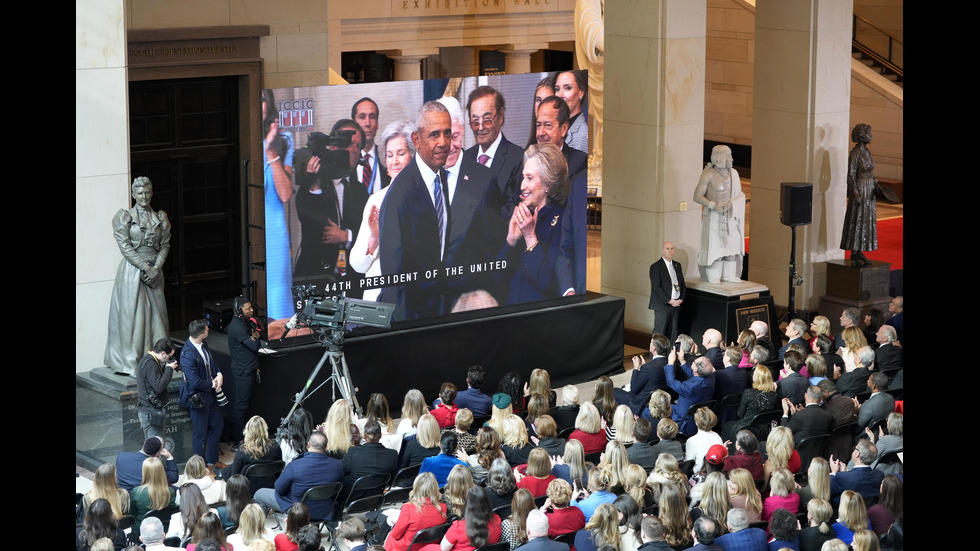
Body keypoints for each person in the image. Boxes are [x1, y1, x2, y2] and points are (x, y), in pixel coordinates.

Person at [378, 101, 454, 321]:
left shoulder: (442, 178)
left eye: (447, 133)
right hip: (410, 319)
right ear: (416, 140)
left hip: (438, 312)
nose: (443, 142)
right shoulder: (398, 196)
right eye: (434, 135)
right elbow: (393, 279)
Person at [104, 176, 171, 376]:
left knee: (158, 317)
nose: (143, 196)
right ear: (133, 195)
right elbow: (125, 247)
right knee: (133, 318)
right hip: (132, 273)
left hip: (155, 273)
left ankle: (157, 358)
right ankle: (133, 362)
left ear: (151, 193)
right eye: (139, 193)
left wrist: (156, 268)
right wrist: (145, 268)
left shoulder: (160, 217)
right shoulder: (124, 217)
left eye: (147, 192)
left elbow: (165, 245)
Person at [293, 119, 370, 287]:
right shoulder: (313, 183)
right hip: (314, 280)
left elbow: (370, 235)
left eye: (359, 146)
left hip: (351, 282)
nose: (355, 150)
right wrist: (313, 182)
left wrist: (346, 236)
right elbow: (308, 220)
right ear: (334, 146)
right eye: (349, 143)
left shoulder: (361, 191)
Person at [350, 119, 416, 302]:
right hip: (378, 299)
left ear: (414, 157)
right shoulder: (376, 200)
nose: (394, 161)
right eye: (389, 155)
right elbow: (356, 265)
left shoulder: (426, 196)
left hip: (413, 297)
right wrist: (374, 239)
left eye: (401, 154)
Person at [501, 143, 570, 304]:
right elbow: (498, 280)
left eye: (530, 178)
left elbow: (547, 283)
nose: (522, 186)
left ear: (548, 184)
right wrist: (510, 241)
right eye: (523, 177)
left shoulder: (560, 221)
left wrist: (530, 237)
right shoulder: (523, 218)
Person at [534, 94, 587, 295]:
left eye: (547, 125)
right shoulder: (529, 159)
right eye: (538, 125)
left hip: (561, 256)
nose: (541, 133)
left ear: (564, 129)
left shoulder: (579, 163)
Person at [260, 90, 296, 325]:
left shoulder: (284, 140)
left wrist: (270, 151)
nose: (259, 103)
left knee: (278, 301)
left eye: (263, 98)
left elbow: (285, 194)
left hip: (274, 237)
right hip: (247, 230)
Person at [253, 431, 344, 521]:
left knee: (259, 493)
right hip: (325, 510)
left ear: (308, 445)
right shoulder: (338, 465)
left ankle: (258, 527)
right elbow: (340, 490)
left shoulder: (294, 465)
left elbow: (279, 489)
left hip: (298, 511)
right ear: (326, 447)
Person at [465, 85, 525, 214]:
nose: (480, 128)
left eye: (487, 119)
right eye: (475, 121)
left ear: (500, 116)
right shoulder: (465, 158)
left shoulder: (517, 158)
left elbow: (513, 210)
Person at [693, 145, 744, 284]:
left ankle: (729, 275)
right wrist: (713, 205)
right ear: (720, 158)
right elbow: (697, 196)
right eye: (729, 156)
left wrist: (731, 204)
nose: (732, 159)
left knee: (731, 249)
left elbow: (740, 196)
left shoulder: (734, 173)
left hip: (731, 215)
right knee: (716, 249)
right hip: (714, 216)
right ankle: (714, 276)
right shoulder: (708, 174)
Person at [180, 318, 225, 467]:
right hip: (198, 398)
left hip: (209, 396)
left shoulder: (203, 344)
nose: (208, 330)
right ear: (201, 334)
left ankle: (212, 461)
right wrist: (213, 383)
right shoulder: (187, 354)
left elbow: (211, 365)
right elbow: (195, 382)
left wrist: (219, 374)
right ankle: (199, 466)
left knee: (217, 425)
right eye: (206, 329)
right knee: (200, 433)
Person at [839, 123, 878, 266]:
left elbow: (870, 171)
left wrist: (875, 182)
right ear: (862, 137)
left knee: (867, 219)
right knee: (857, 219)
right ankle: (854, 252)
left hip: (869, 188)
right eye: (869, 134)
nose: (871, 136)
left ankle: (861, 248)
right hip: (860, 188)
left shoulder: (867, 152)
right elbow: (850, 175)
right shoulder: (855, 154)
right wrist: (855, 193)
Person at [385, 472, 448, 551]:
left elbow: (396, 535)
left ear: (416, 487)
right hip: (430, 545)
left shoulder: (408, 508)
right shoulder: (443, 507)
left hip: (408, 547)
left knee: (390, 533)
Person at [228, 295, 261, 437]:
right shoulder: (237, 327)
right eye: (248, 308)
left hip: (249, 369)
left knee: (247, 405)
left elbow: (256, 337)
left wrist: (255, 337)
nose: (252, 310)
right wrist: (256, 338)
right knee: (241, 406)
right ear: (239, 310)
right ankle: (238, 439)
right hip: (243, 372)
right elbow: (254, 346)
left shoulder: (245, 323)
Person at [218, 415, 281, 487]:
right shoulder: (276, 447)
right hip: (270, 484)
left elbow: (235, 476)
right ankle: (221, 472)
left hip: (247, 487)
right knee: (233, 466)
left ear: (248, 431)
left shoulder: (243, 450)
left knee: (234, 468)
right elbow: (278, 467)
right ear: (265, 430)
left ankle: (221, 473)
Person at [615, 333, 669, 415]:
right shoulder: (671, 363)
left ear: (654, 348)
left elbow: (634, 389)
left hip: (641, 403)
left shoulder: (648, 367)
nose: (650, 344)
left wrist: (636, 368)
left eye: (651, 342)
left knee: (613, 391)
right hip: (659, 400)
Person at [437, 486, 503, 551]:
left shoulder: (457, 528)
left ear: (468, 504)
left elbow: (443, 548)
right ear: (487, 502)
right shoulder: (497, 520)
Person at [136, 338, 177, 439]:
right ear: (163, 353)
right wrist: (169, 369)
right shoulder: (151, 364)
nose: (169, 359)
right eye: (169, 356)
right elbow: (159, 387)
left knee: (151, 447)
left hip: (148, 410)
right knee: (155, 448)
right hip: (150, 412)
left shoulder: (149, 359)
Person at [725, 365, 779, 442]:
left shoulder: (748, 393)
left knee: (727, 426)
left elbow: (740, 414)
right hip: (765, 430)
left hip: (747, 429)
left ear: (756, 378)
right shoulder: (774, 396)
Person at [666, 355, 716, 435]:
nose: (693, 360)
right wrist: (682, 361)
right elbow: (695, 376)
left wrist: (670, 363)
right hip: (700, 417)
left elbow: (671, 382)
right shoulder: (711, 377)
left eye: (694, 362)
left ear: (696, 369)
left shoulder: (690, 388)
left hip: (684, 420)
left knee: (662, 407)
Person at [130, 456, 178, 535]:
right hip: (163, 531)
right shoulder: (170, 492)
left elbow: (132, 514)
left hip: (142, 532)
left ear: (144, 472)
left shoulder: (136, 492)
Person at [352, 97, 385, 194]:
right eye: (362, 117)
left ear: (377, 124)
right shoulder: (345, 160)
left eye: (372, 117)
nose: (367, 123)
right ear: (353, 123)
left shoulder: (387, 157)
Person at [852, 371, 895, 440]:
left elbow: (857, 429)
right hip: (885, 434)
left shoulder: (867, 406)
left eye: (869, 380)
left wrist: (856, 412)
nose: (867, 381)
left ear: (874, 385)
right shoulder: (891, 398)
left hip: (868, 439)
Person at [554, 71, 588, 153]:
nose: (560, 95)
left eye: (568, 88)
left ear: (581, 92)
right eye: (557, 89)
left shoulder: (584, 134)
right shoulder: (556, 126)